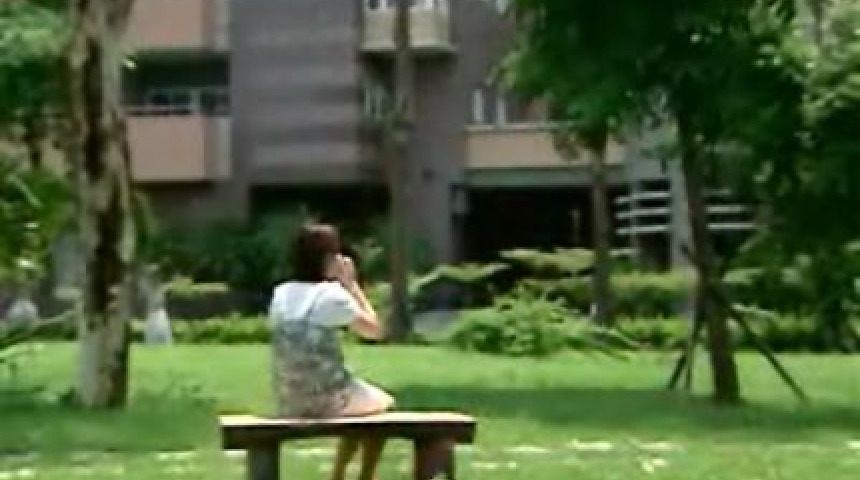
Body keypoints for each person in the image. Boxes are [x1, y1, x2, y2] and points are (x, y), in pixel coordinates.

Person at [269, 223, 394, 480]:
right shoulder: (331, 296)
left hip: (289, 398)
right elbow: (375, 331)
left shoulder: (281, 294)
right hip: (328, 398)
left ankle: (337, 475)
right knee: (382, 405)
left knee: (359, 403)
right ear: (329, 259)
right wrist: (352, 285)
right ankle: (363, 476)